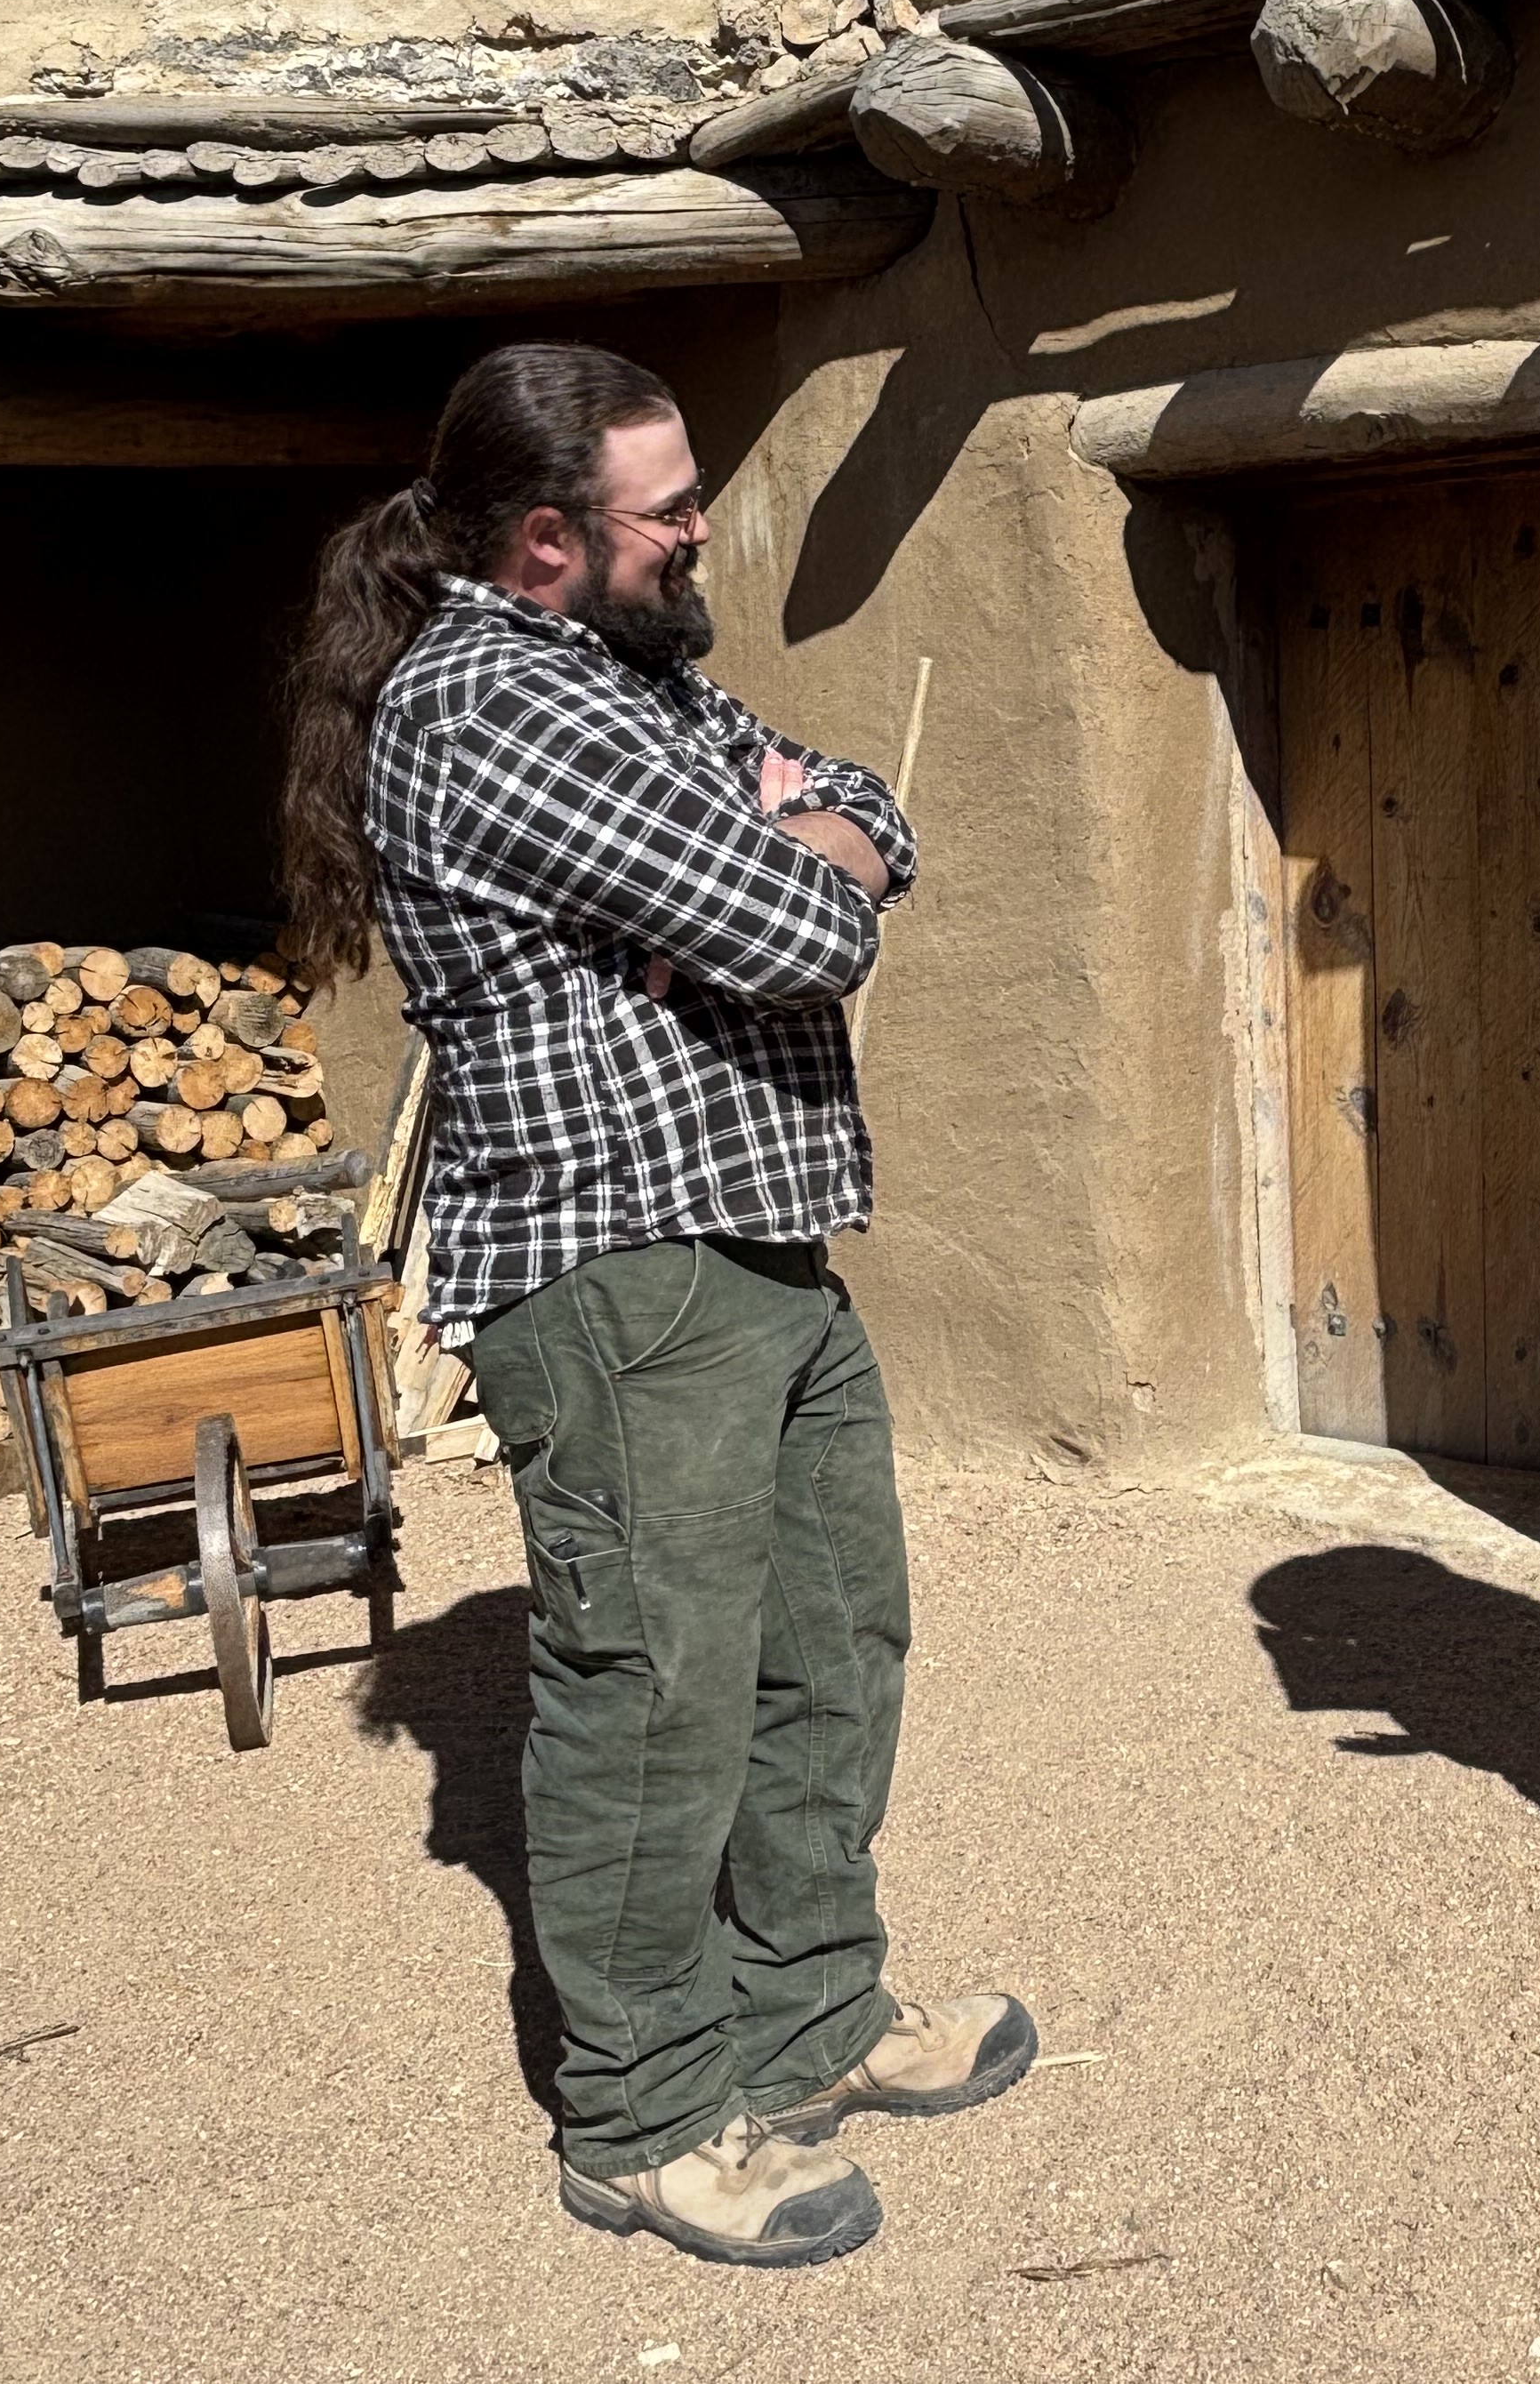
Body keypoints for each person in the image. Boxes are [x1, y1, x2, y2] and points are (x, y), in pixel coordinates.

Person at [280, 340, 1033, 2268]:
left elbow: (858, 807)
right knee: (653, 1690)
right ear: (547, 538)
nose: (702, 527)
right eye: (666, 506)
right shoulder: (495, 702)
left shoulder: (629, 673)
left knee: (826, 1638)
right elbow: (806, 917)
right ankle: (641, 2110)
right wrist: (804, 848)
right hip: (618, 1270)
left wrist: (812, 823)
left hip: (751, 1237)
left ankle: (809, 2012)